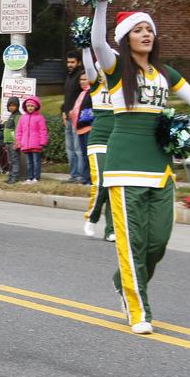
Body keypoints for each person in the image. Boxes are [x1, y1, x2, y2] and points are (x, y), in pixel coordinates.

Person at [92, 0, 190, 335]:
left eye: (149, 30)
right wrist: (101, 4)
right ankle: (137, 307)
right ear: (126, 37)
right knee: (132, 244)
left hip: (160, 169)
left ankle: (123, 281)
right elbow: (98, 42)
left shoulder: (165, 74)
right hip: (124, 167)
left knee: (157, 241)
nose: (146, 35)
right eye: (139, 30)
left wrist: (188, 130)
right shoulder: (115, 69)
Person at [81, 48, 115, 240]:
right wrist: (86, 47)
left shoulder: (122, 85)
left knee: (115, 185)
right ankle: (92, 216)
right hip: (99, 140)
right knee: (102, 182)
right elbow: (88, 65)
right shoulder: (95, 85)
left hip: (119, 140)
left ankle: (111, 229)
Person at [60, 50, 85, 183]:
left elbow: (84, 98)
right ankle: (73, 175)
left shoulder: (81, 76)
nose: (69, 64)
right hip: (68, 117)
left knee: (77, 148)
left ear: (79, 63)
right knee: (69, 148)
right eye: (68, 62)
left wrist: (76, 112)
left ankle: (80, 175)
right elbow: (67, 98)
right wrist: (63, 111)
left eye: (72, 62)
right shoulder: (69, 77)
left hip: (78, 118)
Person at [15, 96, 48, 183]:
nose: (30, 107)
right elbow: (19, 131)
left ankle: (36, 178)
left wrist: (43, 142)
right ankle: (30, 177)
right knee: (29, 162)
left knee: (36, 162)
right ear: (25, 107)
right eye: (28, 106)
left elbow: (43, 131)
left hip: (36, 144)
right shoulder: (22, 118)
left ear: (36, 107)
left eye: (32, 106)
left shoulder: (40, 118)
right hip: (26, 145)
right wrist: (19, 141)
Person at [70, 71, 93, 184]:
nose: (82, 82)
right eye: (81, 79)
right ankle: (85, 178)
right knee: (84, 154)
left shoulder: (92, 93)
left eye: (85, 79)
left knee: (88, 155)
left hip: (89, 127)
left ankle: (90, 178)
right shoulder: (82, 93)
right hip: (80, 128)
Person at [2, 96, 21, 184]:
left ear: (17, 106)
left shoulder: (17, 116)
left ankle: (15, 177)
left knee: (14, 160)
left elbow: (18, 129)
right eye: (10, 105)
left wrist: (16, 142)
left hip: (13, 142)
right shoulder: (11, 115)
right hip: (8, 142)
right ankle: (11, 176)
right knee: (10, 160)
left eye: (13, 105)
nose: (11, 107)